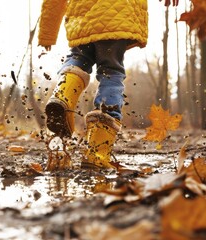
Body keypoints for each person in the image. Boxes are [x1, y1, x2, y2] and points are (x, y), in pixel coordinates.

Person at [38, 0, 177, 169]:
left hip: (82, 16)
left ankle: (63, 96)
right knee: (111, 72)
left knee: (78, 59)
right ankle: (97, 153)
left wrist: (47, 34)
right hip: (117, 14)